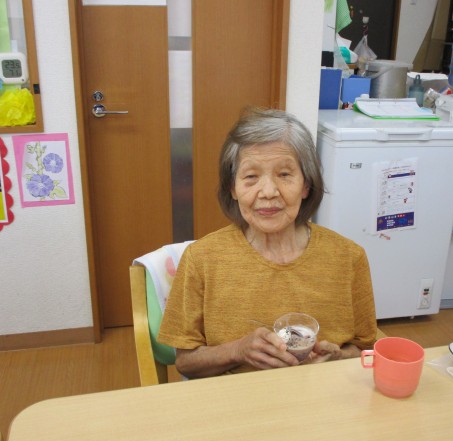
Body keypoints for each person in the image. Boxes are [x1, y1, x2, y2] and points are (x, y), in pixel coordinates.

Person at [157, 107, 377, 378]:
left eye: (284, 175)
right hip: (238, 399)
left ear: (306, 185)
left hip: (322, 395)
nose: (269, 192)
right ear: (233, 188)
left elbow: (367, 348)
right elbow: (185, 362)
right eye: (251, 177)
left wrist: (338, 358)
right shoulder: (201, 259)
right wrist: (238, 350)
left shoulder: (349, 258)